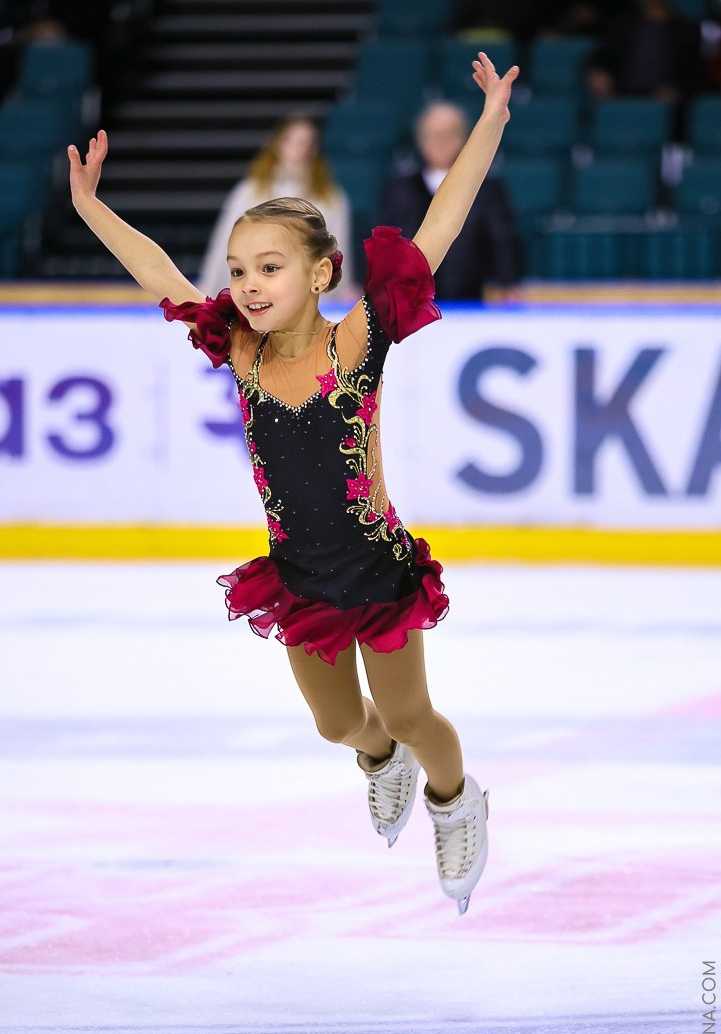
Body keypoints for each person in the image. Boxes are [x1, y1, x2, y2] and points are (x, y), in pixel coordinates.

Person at [67, 51, 520, 912]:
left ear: (320, 274)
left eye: (267, 268)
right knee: (339, 725)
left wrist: (491, 120)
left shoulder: (357, 343)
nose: (246, 285)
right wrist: (92, 207)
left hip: (377, 576)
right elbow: (163, 276)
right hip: (302, 576)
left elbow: (441, 223)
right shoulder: (240, 350)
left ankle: (456, 802)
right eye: (238, 271)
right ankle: (377, 761)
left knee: (414, 715)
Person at [200, 115, 356, 301]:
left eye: (308, 142)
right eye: (293, 140)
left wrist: (339, 296)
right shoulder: (249, 193)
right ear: (277, 143)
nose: (301, 149)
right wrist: (206, 293)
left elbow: (337, 252)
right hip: (252, 297)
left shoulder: (330, 199)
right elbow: (223, 248)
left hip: (307, 301)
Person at [381, 101, 522, 302]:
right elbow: (385, 238)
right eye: (433, 135)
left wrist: (508, 282)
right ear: (420, 140)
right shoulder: (400, 187)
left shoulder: (486, 186)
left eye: (449, 134)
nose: (441, 142)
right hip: (410, 301)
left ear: (464, 138)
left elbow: (501, 237)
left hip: (470, 298)